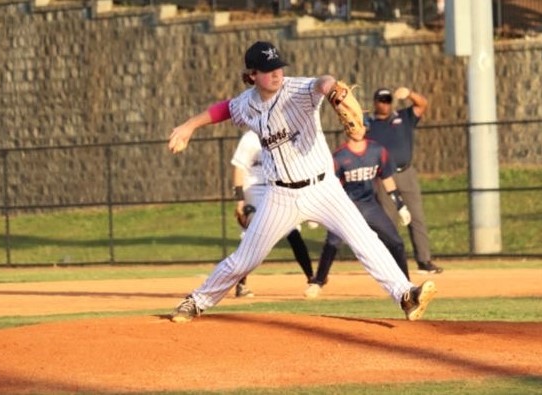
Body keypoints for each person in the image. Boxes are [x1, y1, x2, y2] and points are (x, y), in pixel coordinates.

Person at [167, 41, 436, 323]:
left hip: (323, 189)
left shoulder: (297, 89)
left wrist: (332, 88)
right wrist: (188, 127)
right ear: (252, 75)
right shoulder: (247, 103)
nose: (276, 73)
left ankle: (405, 294)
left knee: (365, 239)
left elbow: (322, 83)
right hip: (279, 196)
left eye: (279, 67)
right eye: (268, 69)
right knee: (246, 259)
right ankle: (196, 301)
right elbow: (223, 109)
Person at [304, 122, 412, 299]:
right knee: (332, 243)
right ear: (346, 129)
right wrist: (317, 212)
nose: (357, 129)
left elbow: (387, 178)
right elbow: (329, 187)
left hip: (369, 205)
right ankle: (318, 281)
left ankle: (406, 285)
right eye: (353, 125)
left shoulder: (377, 150)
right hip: (345, 207)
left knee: (396, 242)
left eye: (361, 125)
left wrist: (400, 205)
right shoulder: (339, 157)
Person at [365, 87, 444, 274]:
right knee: (388, 221)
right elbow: (351, 129)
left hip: (406, 173)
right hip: (383, 177)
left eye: (387, 100)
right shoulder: (368, 123)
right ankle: (391, 264)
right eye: (381, 100)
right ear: (375, 102)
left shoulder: (403, 117)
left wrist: (409, 94)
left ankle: (424, 261)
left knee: (416, 218)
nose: (384, 104)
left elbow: (422, 104)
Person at [231, 129, 314, 297]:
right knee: (254, 236)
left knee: (293, 231)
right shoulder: (250, 138)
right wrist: (240, 200)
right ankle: (241, 284)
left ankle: (313, 279)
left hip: (277, 188)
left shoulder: (282, 135)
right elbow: (239, 170)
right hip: (254, 190)